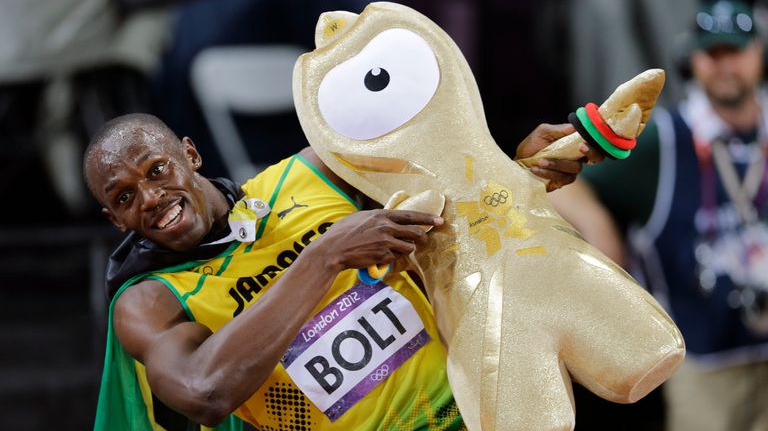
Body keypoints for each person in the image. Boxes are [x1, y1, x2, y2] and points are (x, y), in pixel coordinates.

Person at [85, 112, 597, 430]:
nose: (152, 198)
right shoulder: (150, 303)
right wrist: (323, 257)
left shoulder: (311, 173)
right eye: (125, 198)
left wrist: (520, 170)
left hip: (479, 415)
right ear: (114, 220)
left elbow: (452, 192)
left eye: (158, 170)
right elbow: (205, 392)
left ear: (189, 155)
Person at [551, 1, 768, 430]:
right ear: (692, 59)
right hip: (703, 366)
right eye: (713, 53)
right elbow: (559, 181)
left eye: (736, 51)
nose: (725, 66)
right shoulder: (664, 141)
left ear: (759, 52)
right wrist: (599, 229)